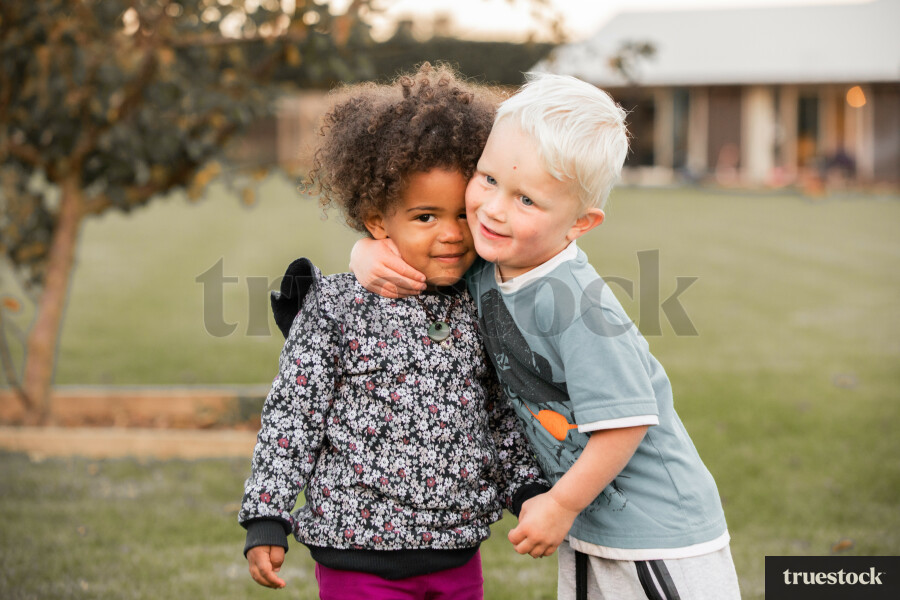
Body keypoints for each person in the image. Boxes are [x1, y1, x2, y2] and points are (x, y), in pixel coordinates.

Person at [350, 73, 741, 599]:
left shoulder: (577, 303)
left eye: (527, 201)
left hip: (657, 531)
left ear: (581, 223)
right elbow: (417, 259)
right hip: (592, 527)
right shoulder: (488, 265)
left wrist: (560, 504)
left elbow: (627, 422)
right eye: (487, 179)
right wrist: (366, 253)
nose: (492, 209)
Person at [238, 63, 547, 600]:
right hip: (357, 553)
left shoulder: (480, 304)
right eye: (425, 217)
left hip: (456, 551)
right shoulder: (333, 307)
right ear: (379, 218)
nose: (451, 235)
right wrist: (266, 515)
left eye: (462, 216)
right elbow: (293, 414)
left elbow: (499, 410)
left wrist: (530, 490)